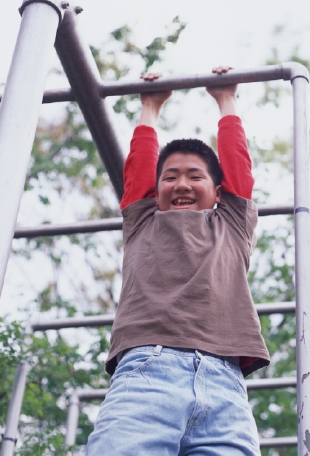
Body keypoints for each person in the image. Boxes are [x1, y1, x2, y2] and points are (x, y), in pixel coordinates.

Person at [86, 66, 270, 455]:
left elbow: (238, 166)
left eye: (194, 176)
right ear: (156, 191)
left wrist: (226, 99)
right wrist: (150, 106)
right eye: (170, 177)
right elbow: (137, 171)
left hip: (224, 383)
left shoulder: (232, 223)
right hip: (148, 372)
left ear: (218, 191)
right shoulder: (143, 220)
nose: (182, 184)